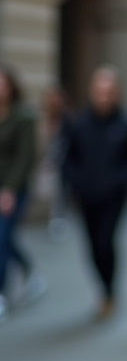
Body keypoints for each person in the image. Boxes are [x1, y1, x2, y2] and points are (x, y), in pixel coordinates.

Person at [61, 66, 127, 321]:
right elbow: (68, 159)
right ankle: (103, 290)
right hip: (86, 197)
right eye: (99, 91)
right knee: (91, 247)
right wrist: (75, 182)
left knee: (105, 241)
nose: (103, 96)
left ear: (117, 93)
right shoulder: (80, 123)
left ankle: (110, 292)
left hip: (114, 198)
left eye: (108, 91)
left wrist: (121, 181)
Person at [0, 64, 47, 322]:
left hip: (13, 189)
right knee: (4, 239)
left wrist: (9, 189)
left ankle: (1, 294)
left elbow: (25, 156)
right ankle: (31, 273)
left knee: (1, 237)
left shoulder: (24, 117)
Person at [35, 86, 70, 242]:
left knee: (58, 195)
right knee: (43, 193)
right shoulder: (40, 121)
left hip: (61, 165)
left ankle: (57, 221)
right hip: (44, 163)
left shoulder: (67, 121)